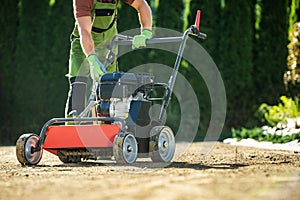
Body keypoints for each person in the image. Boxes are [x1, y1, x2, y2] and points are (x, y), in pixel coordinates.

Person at [65, 0, 153, 118]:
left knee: (110, 91)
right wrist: (92, 59)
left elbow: (142, 5)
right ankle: (70, 129)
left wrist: (146, 32)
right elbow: (84, 31)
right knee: (77, 92)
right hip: (83, 48)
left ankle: (108, 128)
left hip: (109, 45)